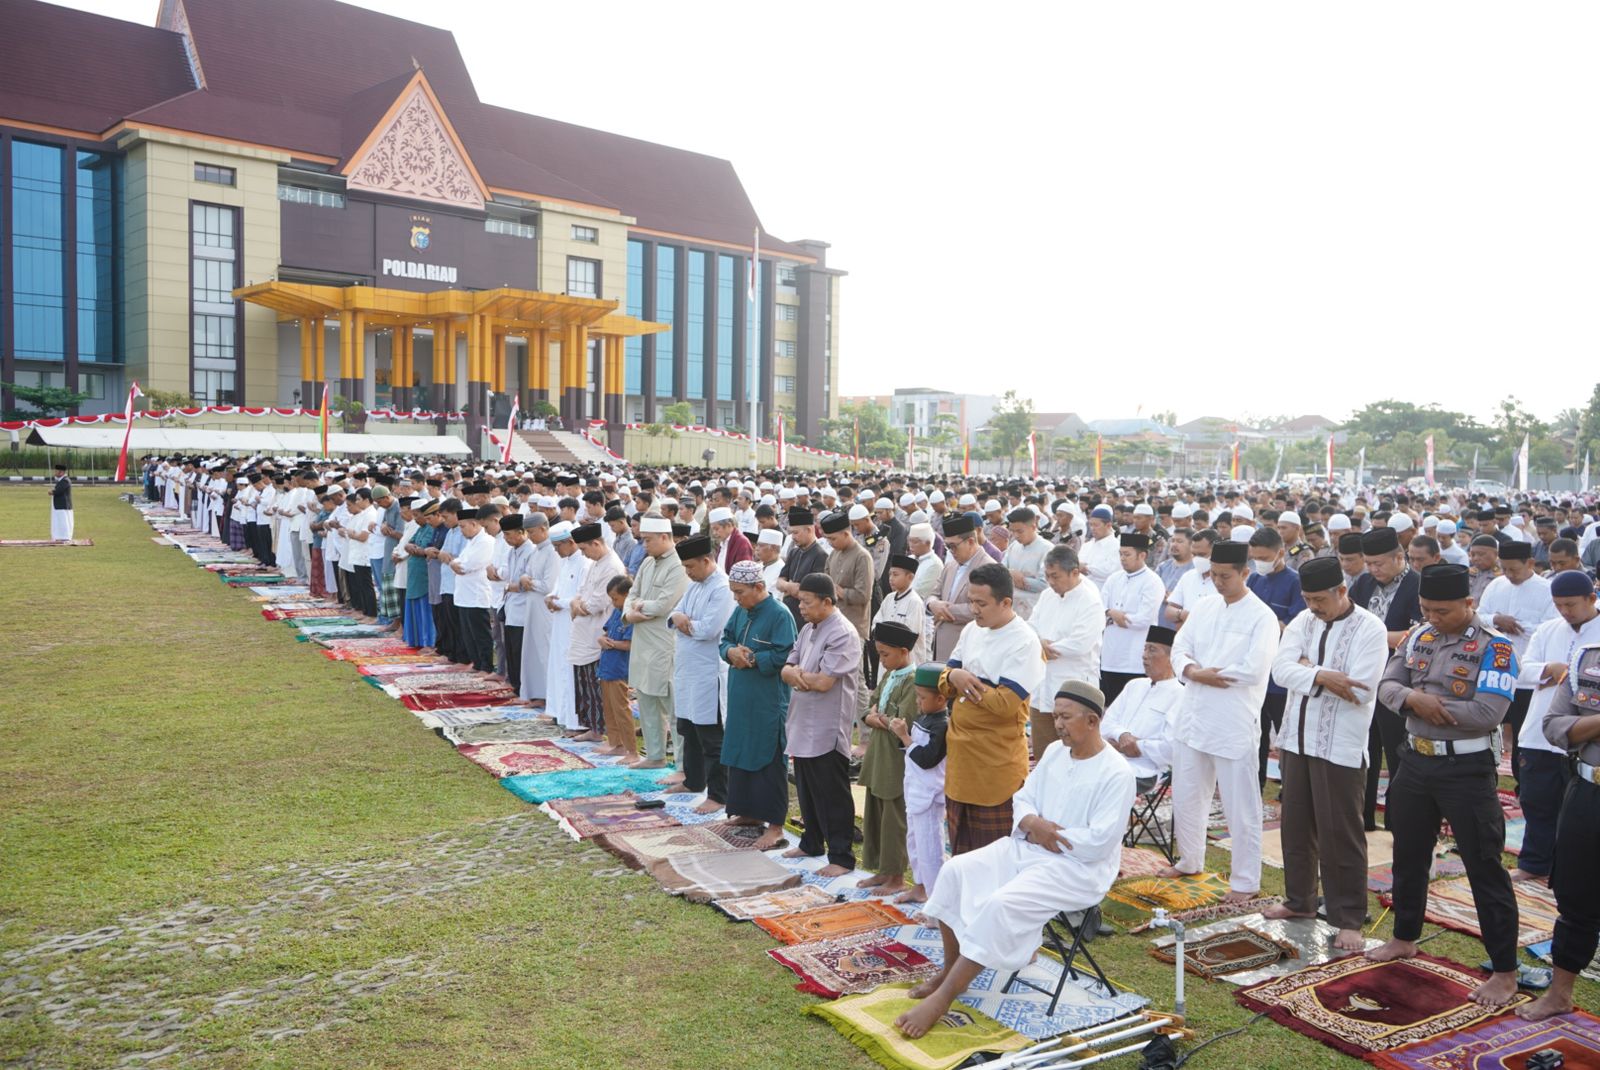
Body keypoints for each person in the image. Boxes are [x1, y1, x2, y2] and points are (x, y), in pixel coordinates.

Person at [895, 679, 1135, 1040]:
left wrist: (1051, 836)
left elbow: (1100, 842)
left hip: (1077, 869)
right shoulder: (1054, 753)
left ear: (1092, 721)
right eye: (1055, 716)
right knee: (955, 871)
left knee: (1000, 904)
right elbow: (1023, 798)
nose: (1057, 724)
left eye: (1066, 718)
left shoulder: (1117, 772)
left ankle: (945, 996)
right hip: (1030, 846)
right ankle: (949, 968)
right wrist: (1033, 824)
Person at [1368, 563, 1522, 1007]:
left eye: (1443, 611)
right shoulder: (1419, 637)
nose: (1433, 617)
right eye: (1426, 609)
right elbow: (1388, 684)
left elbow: (1487, 714)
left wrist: (1420, 705)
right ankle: (1404, 936)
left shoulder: (1495, 650)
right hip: (1415, 762)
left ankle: (1504, 970)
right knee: (1408, 853)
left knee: (1484, 866)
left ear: (1469, 604)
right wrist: (1414, 700)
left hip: (1467, 771)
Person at [1265, 556, 1390, 951]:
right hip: (1296, 740)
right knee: (1296, 824)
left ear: (1342, 591)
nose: (1314, 606)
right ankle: (1299, 901)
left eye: (1320, 598)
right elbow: (1279, 671)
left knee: (1341, 833)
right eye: (1307, 598)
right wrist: (1320, 674)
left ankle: (1348, 917)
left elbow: (1360, 687)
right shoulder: (1302, 622)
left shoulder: (1370, 629)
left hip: (1340, 743)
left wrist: (1306, 669)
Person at [1161, 539, 1279, 903]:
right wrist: (1194, 671)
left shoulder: (1262, 616)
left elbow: (1254, 669)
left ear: (1245, 573)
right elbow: (1179, 647)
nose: (1217, 582)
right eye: (1213, 575)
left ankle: (1245, 880)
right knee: (1186, 794)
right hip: (1193, 713)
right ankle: (1190, 858)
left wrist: (1211, 675)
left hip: (1232, 721)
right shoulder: (1205, 606)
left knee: (1239, 805)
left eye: (1225, 576)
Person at [1517, 621, 1600, 1021]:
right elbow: (1554, 727)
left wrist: (1585, 727)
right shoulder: (1586, 660)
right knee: (1575, 896)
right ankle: (1559, 994)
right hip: (1587, 791)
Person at [941, 563, 1046, 854]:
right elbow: (943, 682)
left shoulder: (1024, 642)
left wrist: (961, 684)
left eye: (981, 603)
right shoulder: (972, 631)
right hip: (961, 762)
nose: (974, 610)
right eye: (971, 601)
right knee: (961, 853)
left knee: (994, 859)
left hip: (995, 767)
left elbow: (1004, 705)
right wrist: (955, 676)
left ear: (1006, 602)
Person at [1509, 569, 1600, 883]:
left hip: (1587, 737)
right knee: (1537, 800)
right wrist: (1550, 669)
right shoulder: (1549, 630)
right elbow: (1520, 670)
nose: (1564, 612)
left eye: (1571, 605)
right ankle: (1534, 863)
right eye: (1559, 605)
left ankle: (1571, 871)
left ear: (1592, 598)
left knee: (1578, 809)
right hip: (1539, 731)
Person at [781, 574, 862, 876]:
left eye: (807, 602)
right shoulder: (807, 628)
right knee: (806, 787)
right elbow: (787, 667)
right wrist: (799, 676)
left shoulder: (843, 633)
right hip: (803, 718)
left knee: (832, 793)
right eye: (800, 600)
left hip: (828, 723)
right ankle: (811, 841)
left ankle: (841, 856)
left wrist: (797, 676)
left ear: (827, 602)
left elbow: (826, 682)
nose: (800, 606)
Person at [719, 560, 798, 849]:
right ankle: (748, 813)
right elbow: (724, 639)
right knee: (742, 749)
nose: (736, 598)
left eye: (740, 592)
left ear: (759, 587)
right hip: (741, 695)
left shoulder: (779, 615)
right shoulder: (740, 611)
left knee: (768, 756)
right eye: (734, 592)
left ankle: (775, 825)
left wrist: (752, 659)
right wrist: (730, 652)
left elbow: (787, 655)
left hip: (767, 698)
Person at [1349, 525, 1422, 830]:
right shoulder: (1363, 584)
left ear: (1399, 557)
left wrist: (1372, 636)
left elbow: (1416, 635)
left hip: (1398, 682)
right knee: (1362, 753)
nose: (1373, 569)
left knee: (1398, 756)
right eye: (1369, 563)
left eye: (1379, 563)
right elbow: (1348, 623)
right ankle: (1362, 818)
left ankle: (1397, 821)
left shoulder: (1417, 584)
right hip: (1363, 680)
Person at [666, 533, 737, 812]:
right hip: (686, 670)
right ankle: (693, 781)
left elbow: (710, 629)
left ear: (706, 561)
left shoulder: (721, 588)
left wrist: (686, 623)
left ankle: (718, 794)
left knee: (710, 736)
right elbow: (674, 615)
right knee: (688, 728)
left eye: (690, 567)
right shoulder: (695, 585)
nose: (688, 573)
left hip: (708, 672)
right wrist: (683, 621)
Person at [1477, 541, 1554, 782]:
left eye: (1514, 570)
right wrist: (1497, 619)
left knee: (1524, 735)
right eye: (1505, 569)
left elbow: (1552, 628)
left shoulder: (1546, 590)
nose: (1509, 575)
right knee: (1488, 730)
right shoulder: (1496, 585)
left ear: (1530, 564)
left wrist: (1519, 625)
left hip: (1526, 678)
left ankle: (1524, 783)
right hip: (1494, 673)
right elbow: (1478, 616)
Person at [856, 621, 920, 898]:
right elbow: (871, 707)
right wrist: (877, 717)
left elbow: (900, 721)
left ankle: (896, 876)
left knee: (894, 817)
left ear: (903, 651)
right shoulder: (889, 674)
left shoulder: (912, 679)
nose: (881, 660)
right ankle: (882, 869)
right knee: (876, 811)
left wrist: (876, 717)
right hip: (879, 752)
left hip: (895, 756)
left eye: (885, 654)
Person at [1028, 544, 1104, 760]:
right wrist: (1039, 643)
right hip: (1042, 685)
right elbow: (1030, 626)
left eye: (1056, 576)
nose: (1051, 582)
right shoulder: (1047, 596)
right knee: (1044, 753)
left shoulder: (1090, 600)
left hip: (1074, 686)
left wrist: (1043, 647)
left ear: (1075, 572)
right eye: (1047, 576)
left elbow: (1080, 644)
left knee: (1074, 751)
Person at [625, 515, 687, 769]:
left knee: (673, 709)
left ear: (664, 537)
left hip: (664, 645)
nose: (644, 545)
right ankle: (654, 755)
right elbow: (631, 594)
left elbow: (664, 605)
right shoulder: (648, 563)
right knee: (646, 701)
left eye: (648, 540)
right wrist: (630, 611)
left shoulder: (679, 565)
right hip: (642, 643)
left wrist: (637, 607)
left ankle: (683, 765)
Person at [1246, 527, 1307, 788]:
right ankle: (1254, 785)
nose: (1259, 563)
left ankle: (1290, 789)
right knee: (1255, 735)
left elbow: (1296, 626)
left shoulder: (1295, 582)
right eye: (1255, 557)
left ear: (1280, 553)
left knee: (1286, 735)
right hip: (1256, 671)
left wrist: (1269, 624)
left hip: (1281, 675)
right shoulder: (1254, 580)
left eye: (1264, 557)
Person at [889, 662, 949, 905]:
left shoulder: (943, 725)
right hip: (915, 789)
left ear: (942, 699)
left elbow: (927, 759)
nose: (917, 702)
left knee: (930, 850)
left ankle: (937, 903)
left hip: (930, 795)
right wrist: (905, 738)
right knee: (914, 843)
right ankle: (920, 887)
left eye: (922, 697)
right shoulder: (925, 716)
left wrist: (904, 736)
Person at [1099, 626, 1182, 788]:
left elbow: (1170, 749)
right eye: (1144, 649)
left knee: (1097, 784)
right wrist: (1122, 735)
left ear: (1171, 658)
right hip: (1109, 759)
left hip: (1144, 770)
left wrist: (1136, 746)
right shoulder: (1134, 685)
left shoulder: (1180, 695)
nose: (1144, 655)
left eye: (1152, 650)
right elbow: (1106, 725)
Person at [569, 522, 625, 743]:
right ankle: (591, 725)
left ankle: (601, 728)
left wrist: (578, 606)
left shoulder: (611, 566)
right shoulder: (595, 562)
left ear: (595, 543)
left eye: (584, 549)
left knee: (596, 684)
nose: (583, 553)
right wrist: (577, 603)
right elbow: (581, 592)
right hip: (584, 630)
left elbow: (596, 604)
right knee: (584, 682)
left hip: (599, 630)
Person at [1098, 532, 1166, 707]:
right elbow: (1100, 610)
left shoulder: (1153, 582)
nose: (1122, 558)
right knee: (1108, 708)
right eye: (1120, 554)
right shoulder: (1113, 579)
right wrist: (1113, 614)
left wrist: (1113, 615)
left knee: (1131, 709)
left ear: (1142, 555)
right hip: (1109, 657)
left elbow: (1144, 620)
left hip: (1134, 659)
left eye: (1127, 554)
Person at [543, 521, 588, 733]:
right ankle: (559, 712)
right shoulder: (566, 560)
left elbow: (579, 597)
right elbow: (558, 588)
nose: (556, 551)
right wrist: (551, 597)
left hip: (574, 624)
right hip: (560, 623)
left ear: (570, 542)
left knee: (570, 670)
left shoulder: (584, 562)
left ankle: (576, 721)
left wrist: (557, 602)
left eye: (558, 546)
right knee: (558, 667)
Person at [927, 513, 984, 661]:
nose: (951, 551)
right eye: (947, 546)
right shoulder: (951, 566)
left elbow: (983, 608)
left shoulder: (988, 567)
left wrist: (945, 610)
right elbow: (934, 593)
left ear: (970, 541)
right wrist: (932, 604)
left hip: (968, 648)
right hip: (941, 645)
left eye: (953, 546)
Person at [450, 506, 497, 673]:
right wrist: (455, 564)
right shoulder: (471, 542)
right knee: (468, 633)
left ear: (474, 524)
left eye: (463, 527)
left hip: (477, 595)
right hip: (464, 594)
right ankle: (477, 664)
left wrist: (456, 564)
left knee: (480, 634)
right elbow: (457, 562)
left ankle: (486, 666)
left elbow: (468, 565)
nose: (461, 531)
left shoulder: (486, 542)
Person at [516, 513, 556, 705]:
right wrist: (526, 579)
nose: (530, 536)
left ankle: (550, 695)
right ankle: (538, 693)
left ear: (543, 528)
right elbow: (526, 574)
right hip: (532, 607)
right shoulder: (536, 551)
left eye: (532, 532)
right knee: (532, 651)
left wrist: (528, 582)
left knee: (545, 651)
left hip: (545, 609)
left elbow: (548, 586)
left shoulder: (553, 552)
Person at [596, 575, 638, 758]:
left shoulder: (630, 615)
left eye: (615, 598)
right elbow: (606, 632)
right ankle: (616, 742)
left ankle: (631, 750)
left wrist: (610, 644)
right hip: (606, 667)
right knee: (609, 708)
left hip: (619, 669)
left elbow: (629, 644)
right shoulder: (616, 612)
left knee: (621, 710)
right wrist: (602, 639)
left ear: (628, 595)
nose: (613, 603)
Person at [872, 553, 929, 665]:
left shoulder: (915, 602)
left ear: (910, 577)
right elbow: (876, 623)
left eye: (895, 575)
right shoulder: (889, 598)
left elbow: (911, 633)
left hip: (907, 660)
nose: (891, 579)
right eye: (890, 575)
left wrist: (886, 635)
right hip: (887, 656)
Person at [1001, 507, 1049, 619]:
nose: (1016, 535)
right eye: (1012, 531)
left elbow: (1045, 584)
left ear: (1033, 527)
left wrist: (1021, 580)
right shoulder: (1014, 546)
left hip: (1034, 609)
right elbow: (1001, 570)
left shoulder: (1047, 549)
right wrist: (1011, 575)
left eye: (1020, 531)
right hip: (1012, 608)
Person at [49, 462, 73, 542]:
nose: (55, 473)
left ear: (61, 472)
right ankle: (59, 536)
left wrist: (52, 492)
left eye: (56, 471)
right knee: (59, 521)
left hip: (63, 505)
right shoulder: (61, 480)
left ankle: (65, 536)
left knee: (64, 521)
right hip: (59, 505)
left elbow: (58, 491)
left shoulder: (65, 481)